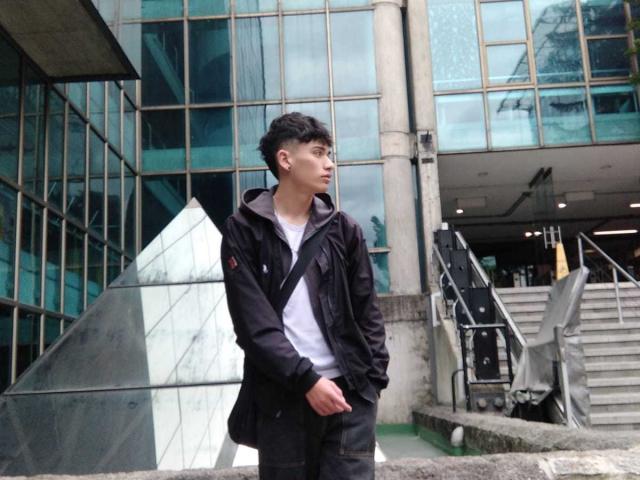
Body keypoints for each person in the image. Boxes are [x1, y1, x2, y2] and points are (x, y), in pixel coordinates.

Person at [221, 112, 389, 480]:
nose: (329, 164)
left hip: (350, 396)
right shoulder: (244, 230)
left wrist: (372, 384)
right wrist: (307, 381)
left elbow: (368, 311)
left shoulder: (343, 229)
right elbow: (253, 325)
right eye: (317, 153)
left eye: (329, 154)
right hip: (284, 397)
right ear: (285, 160)